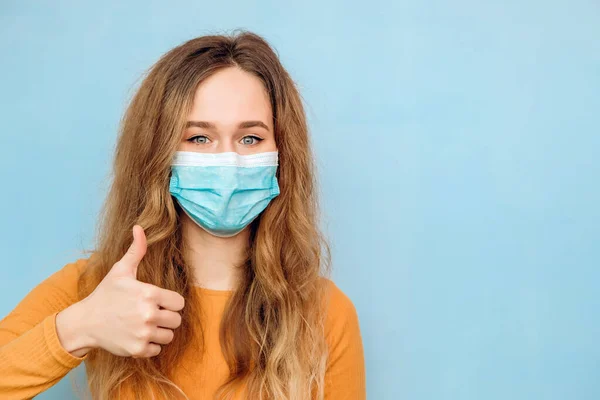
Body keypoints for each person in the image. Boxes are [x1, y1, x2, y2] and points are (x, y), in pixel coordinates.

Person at [0, 31, 366, 400]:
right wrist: (81, 327)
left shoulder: (325, 314)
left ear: (282, 154)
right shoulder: (98, 288)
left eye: (250, 138)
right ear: (159, 154)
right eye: (198, 139)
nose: (229, 160)